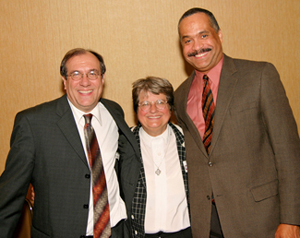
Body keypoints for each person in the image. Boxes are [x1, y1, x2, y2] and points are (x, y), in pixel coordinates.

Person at [174, 7, 300, 238]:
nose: (197, 46)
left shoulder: (260, 75)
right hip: (206, 222)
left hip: (260, 219)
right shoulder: (180, 96)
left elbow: (288, 152)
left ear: (219, 35)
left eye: (204, 35)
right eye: (187, 40)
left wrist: (292, 218)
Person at [0, 48, 138, 238]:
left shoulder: (114, 112)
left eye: (92, 73)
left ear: (102, 78)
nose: (85, 81)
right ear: (64, 81)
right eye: (76, 74)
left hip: (116, 230)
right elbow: (9, 195)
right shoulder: (33, 123)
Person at [118, 77, 192, 238]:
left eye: (160, 102)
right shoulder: (123, 144)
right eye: (145, 103)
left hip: (185, 232)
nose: (153, 110)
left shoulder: (190, 141)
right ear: (136, 109)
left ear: (170, 107)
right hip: (138, 234)